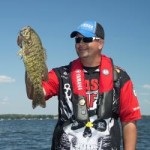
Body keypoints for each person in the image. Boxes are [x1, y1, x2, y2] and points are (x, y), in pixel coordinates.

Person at [26, 20, 141, 150]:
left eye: (86, 39)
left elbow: (129, 121)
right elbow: (34, 94)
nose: (81, 44)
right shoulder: (60, 74)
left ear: (100, 43)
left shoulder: (120, 77)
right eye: (77, 40)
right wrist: (30, 65)